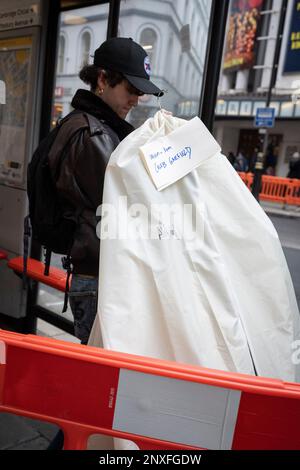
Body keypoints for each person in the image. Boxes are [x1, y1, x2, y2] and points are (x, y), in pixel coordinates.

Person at [47, 37, 163, 449]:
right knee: (100, 391)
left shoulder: (98, 129)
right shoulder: (90, 135)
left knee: (100, 389)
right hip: (100, 279)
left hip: (101, 274)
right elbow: (126, 204)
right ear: (102, 80)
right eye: (129, 88)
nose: (135, 98)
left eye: (140, 90)